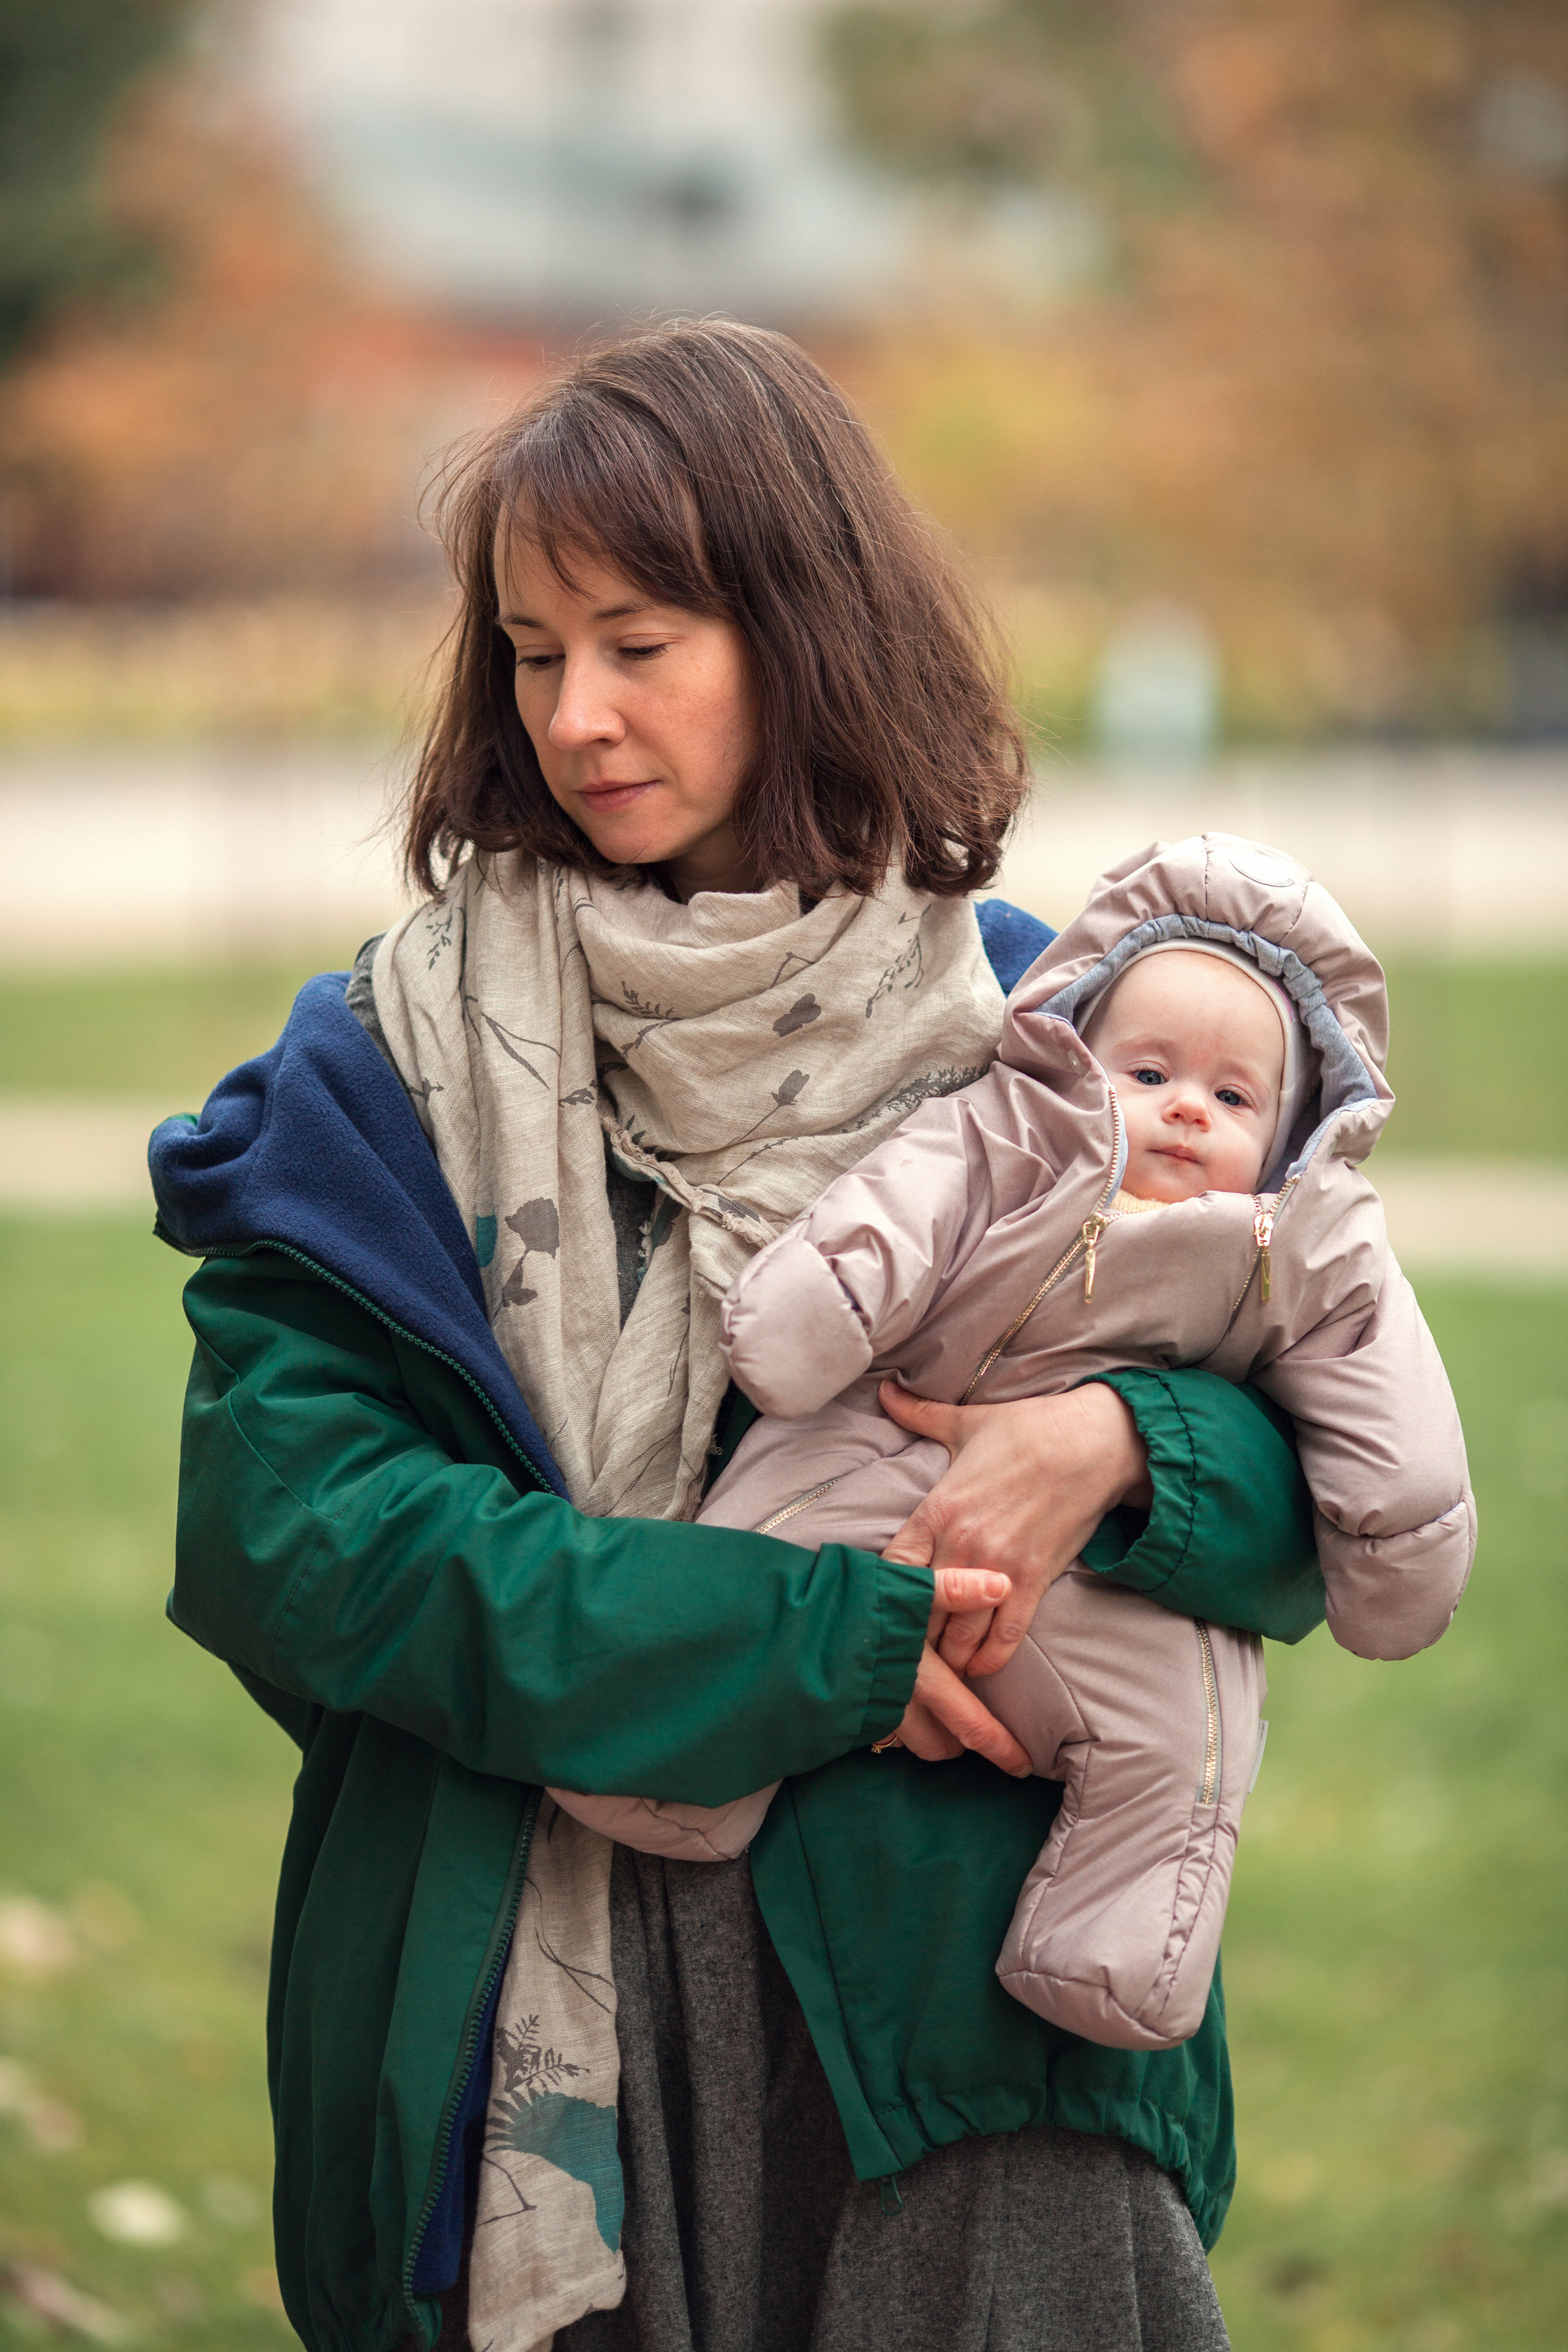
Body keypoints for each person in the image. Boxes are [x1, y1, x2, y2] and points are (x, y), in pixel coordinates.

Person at [150, 321, 1330, 2352]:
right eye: (532, 652)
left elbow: (1329, 1488)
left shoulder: (1054, 1038)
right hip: (521, 2035)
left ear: (801, 631)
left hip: (958, 2030)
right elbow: (302, 1543)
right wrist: (819, 1643)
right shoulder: (380, 1074)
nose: (577, 714)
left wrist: (1128, 1450)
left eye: (641, 639)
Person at [550, 837, 1475, 2056]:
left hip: (1093, 1570)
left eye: (1235, 1097)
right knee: (752, 1564)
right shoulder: (1002, 1130)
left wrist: (1388, 1538)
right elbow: (885, 1225)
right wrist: (808, 1319)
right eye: (1147, 1070)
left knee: (1191, 1730)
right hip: (876, 1449)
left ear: (1297, 1125)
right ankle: (666, 1769)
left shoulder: (1302, 1245)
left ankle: (1116, 1949)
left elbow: (1377, 1394)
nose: (1188, 1105)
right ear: (1078, 1053)